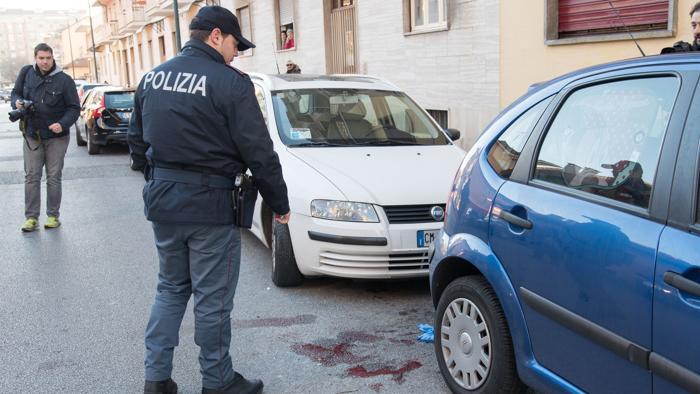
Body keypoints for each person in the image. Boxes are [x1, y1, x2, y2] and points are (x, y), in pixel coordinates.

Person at [127, 6, 290, 394]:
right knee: (212, 300)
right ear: (216, 36)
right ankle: (218, 382)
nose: (236, 53)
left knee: (170, 289)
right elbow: (259, 152)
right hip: (212, 207)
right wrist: (279, 204)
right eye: (235, 44)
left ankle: (157, 379)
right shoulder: (230, 83)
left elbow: (136, 144)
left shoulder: (151, 78)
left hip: (164, 203)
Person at [10, 43, 80, 232]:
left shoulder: (64, 80)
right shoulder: (26, 73)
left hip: (56, 137)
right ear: (35, 58)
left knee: (53, 177)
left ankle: (52, 216)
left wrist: (62, 124)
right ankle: (31, 218)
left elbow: (74, 108)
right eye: (41, 58)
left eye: (48, 58)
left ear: (52, 57)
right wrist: (16, 101)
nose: (45, 62)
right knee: (32, 177)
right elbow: (15, 93)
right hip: (32, 135)